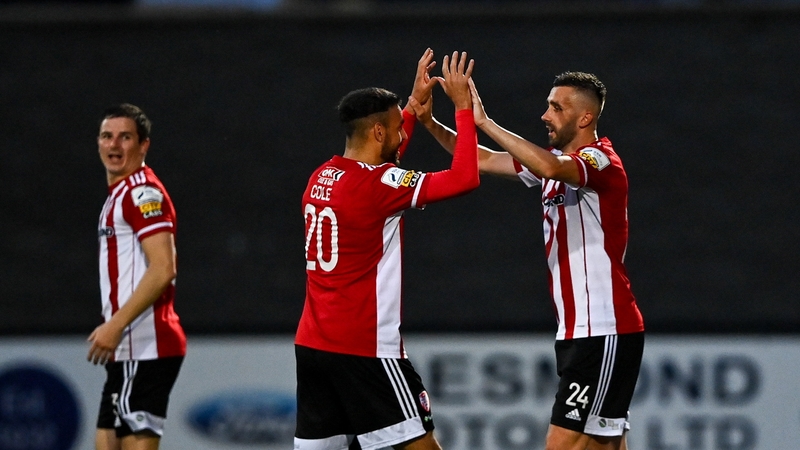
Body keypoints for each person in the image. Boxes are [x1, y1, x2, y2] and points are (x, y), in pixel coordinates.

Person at [407, 72, 645, 450]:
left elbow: (551, 169)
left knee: (562, 444)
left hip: (603, 328)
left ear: (585, 117)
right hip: (582, 331)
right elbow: (481, 159)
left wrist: (484, 121)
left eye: (556, 108)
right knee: (604, 444)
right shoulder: (556, 162)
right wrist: (430, 123)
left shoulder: (600, 160)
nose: (545, 115)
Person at [294, 49, 478, 450]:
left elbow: (380, 170)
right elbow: (464, 177)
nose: (403, 135)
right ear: (378, 132)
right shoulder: (378, 186)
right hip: (367, 351)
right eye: (397, 129)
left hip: (313, 347)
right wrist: (463, 109)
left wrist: (410, 107)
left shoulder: (322, 175)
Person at [89, 103, 186, 450]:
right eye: (107, 136)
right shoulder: (119, 194)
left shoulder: (142, 193)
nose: (114, 145)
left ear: (144, 145)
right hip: (128, 350)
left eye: (125, 137)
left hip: (145, 346)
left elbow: (163, 268)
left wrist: (115, 324)